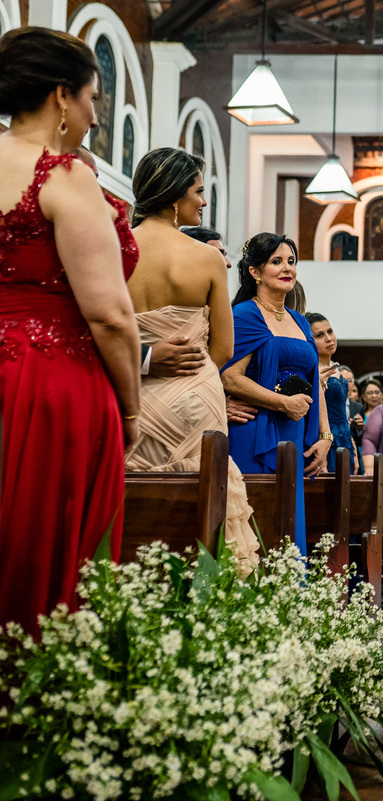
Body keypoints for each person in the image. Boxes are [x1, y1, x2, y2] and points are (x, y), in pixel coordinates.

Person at [0, 27, 141, 631]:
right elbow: (109, 313)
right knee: (46, 560)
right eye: (92, 99)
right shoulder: (62, 177)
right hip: (50, 386)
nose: (93, 115)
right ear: (61, 96)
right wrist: (132, 409)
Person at [124, 147, 257, 570]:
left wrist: (146, 361)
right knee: (205, 508)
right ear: (173, 196)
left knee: (134, 506)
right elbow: (223, 349)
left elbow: (95, 334)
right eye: (198, 191)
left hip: (132, 397)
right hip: (195, 399)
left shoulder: (116, 250)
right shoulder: (206, 258)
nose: (203, 201)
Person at [220, 233, 332, 555]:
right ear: (255, 272)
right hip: (255, 430)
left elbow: (314, 382)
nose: (287, 269)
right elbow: (230, 377)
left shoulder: (299, 320)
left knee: (288, 521)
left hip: (294, 433)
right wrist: (283, 402)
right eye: (277, 262)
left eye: (291, 262)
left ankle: (287, 598)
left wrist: (324, 434)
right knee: (259, 519)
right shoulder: (244, 316)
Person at [306, 312, 359, 474]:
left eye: (330, 331)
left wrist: (353, 446)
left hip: (344, 438)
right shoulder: (312, 371)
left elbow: (342, 413)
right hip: (325, 438)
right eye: (320, 335)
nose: (329, 338)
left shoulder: (337, 370)